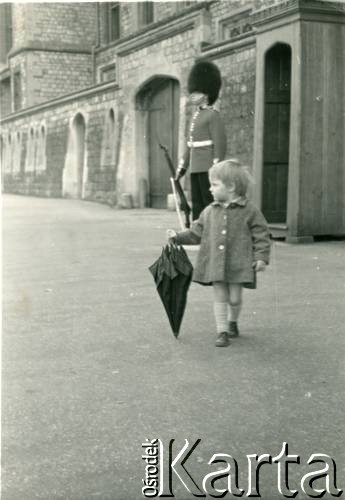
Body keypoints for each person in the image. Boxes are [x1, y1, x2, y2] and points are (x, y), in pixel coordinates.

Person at [167, 159, 271, 347]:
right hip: (215, 262)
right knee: (220, 297)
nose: (210, 189)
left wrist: (261, 257)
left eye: (214, 185)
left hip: (239, 263)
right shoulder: (208, 211)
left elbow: (261, 234)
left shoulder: (249, 211)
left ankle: (233, 322)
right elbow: (195, 233)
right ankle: (222, 330)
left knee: (235, 298)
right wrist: (177, 237)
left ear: (231, 187)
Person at [176, 60, 227, 220]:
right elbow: (190, 146)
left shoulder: (213, 115)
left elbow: (220, 144)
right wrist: (181, 168)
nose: (192, 95)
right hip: (196, 167)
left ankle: (211, 231)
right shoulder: (195, 116)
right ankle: (198, 232)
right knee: (197, 203)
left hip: (208, 168)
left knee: (209, 202)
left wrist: (215, 167)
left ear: (206, 95)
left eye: (196, 93)